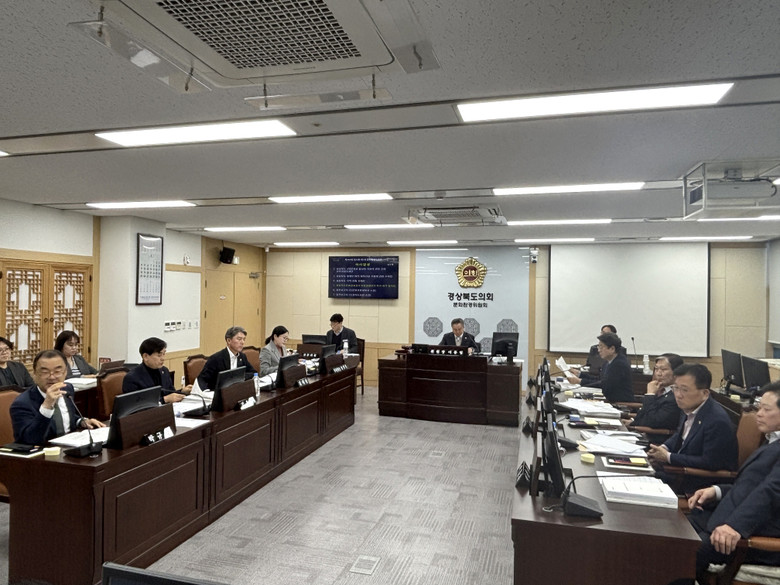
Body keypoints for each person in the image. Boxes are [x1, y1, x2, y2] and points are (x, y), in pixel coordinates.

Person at [683, 382, 780, 585]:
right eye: (759, 407)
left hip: (750, 536)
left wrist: (735, 526)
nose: (759, 413)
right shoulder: (772, 440)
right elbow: (749, 487)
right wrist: (716, 491)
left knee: (678, 555)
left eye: (766, 409)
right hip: (724, 519)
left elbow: (770, 492)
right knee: (670, 534)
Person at [647, 363, 738, 494]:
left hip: (696, 486)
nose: (678, 395)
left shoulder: (717, 421)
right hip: (676, 473)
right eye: (675, 388)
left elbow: (710, 462)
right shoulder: (690, 406)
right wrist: (663, 448)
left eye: (684, 390)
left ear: (705, 393)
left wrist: (668, 457)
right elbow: (680, 434)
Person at [10, 349, 104, 444]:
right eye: (45, 372)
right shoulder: (22, 403)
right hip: (44, 450)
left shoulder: (67, 388)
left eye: (57, 371)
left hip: (69, 446)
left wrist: (81, 421)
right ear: (34, 374)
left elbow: (64, 415)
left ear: (65, 372)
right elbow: (29, 439)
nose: (52, 377)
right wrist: (47, 405)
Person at [630, 353, 684, 441]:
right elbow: (641, 416)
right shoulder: (659, 390)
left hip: (658, 442)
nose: (658, 373)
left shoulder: (676, 395)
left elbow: (652, 421)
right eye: (656, 369)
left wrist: (650, 394)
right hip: (643, 435)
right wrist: (632, 422)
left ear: (676, 372)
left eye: (663, 369)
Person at [567, 332, 634, 403]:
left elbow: (604, 385)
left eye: (601, 347)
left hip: (621, 404)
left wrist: (580, 381)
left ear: (612, 349)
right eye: (598, 347)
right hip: (609, 400)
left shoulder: (619, 364)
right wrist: (579, 374)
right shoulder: (608, 362)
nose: (599, 350)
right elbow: (599, 379)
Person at [122, 337, 188, 404]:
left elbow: (170, 393)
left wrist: (182, 392)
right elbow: (135, 404)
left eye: (163, 354)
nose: (163, 358)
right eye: (159, 355)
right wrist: (164, 400)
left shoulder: (164, 371)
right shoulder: (132, 378)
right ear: (145, 356)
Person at [197, 326, 257, 391]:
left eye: (244, 339)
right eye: (239, 339)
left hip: (236, 391)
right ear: (229, 340)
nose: (242, 342)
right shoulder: (216, 358)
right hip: (218, 392)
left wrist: (238, 378)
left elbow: (253, 373)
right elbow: (202, 380)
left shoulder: (242, 356)